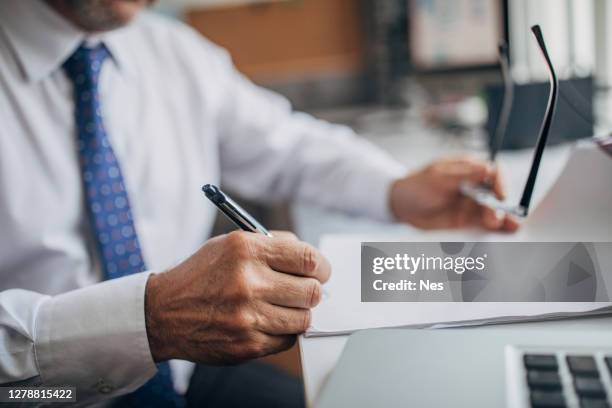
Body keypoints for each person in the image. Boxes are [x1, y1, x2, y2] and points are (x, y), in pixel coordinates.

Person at [0, 0, 519, 406]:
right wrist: (147, 321)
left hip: (180, 380)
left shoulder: (172, 52)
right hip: (37, 395)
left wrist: (395, 190)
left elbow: (286, 145)